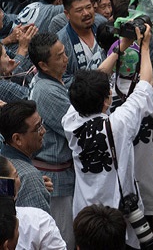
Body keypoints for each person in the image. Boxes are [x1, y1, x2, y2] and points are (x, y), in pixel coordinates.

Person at [63, 25, 153, 248]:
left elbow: (92, 81)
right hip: (114, 213)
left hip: (85, 210)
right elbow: (145, 86)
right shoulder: (119, 122)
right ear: (106, 100)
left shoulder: (70, 120)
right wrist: (144, 48)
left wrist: (120, 48)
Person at [28, 31, 75, 248]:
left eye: (64, 53)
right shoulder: (46, 91)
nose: (65, 60)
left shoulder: (51, 81)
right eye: (59, 57)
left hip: (60, 172)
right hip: (54, 176)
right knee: (61, 238)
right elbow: (75, 128)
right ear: (43, 65)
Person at [0, 100, 51, 213]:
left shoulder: (3, 163)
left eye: (41, 124)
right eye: (37, 128)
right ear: (17, 139)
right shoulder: (29, 177)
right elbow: (40, 227)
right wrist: (33, 184)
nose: (43, 131)